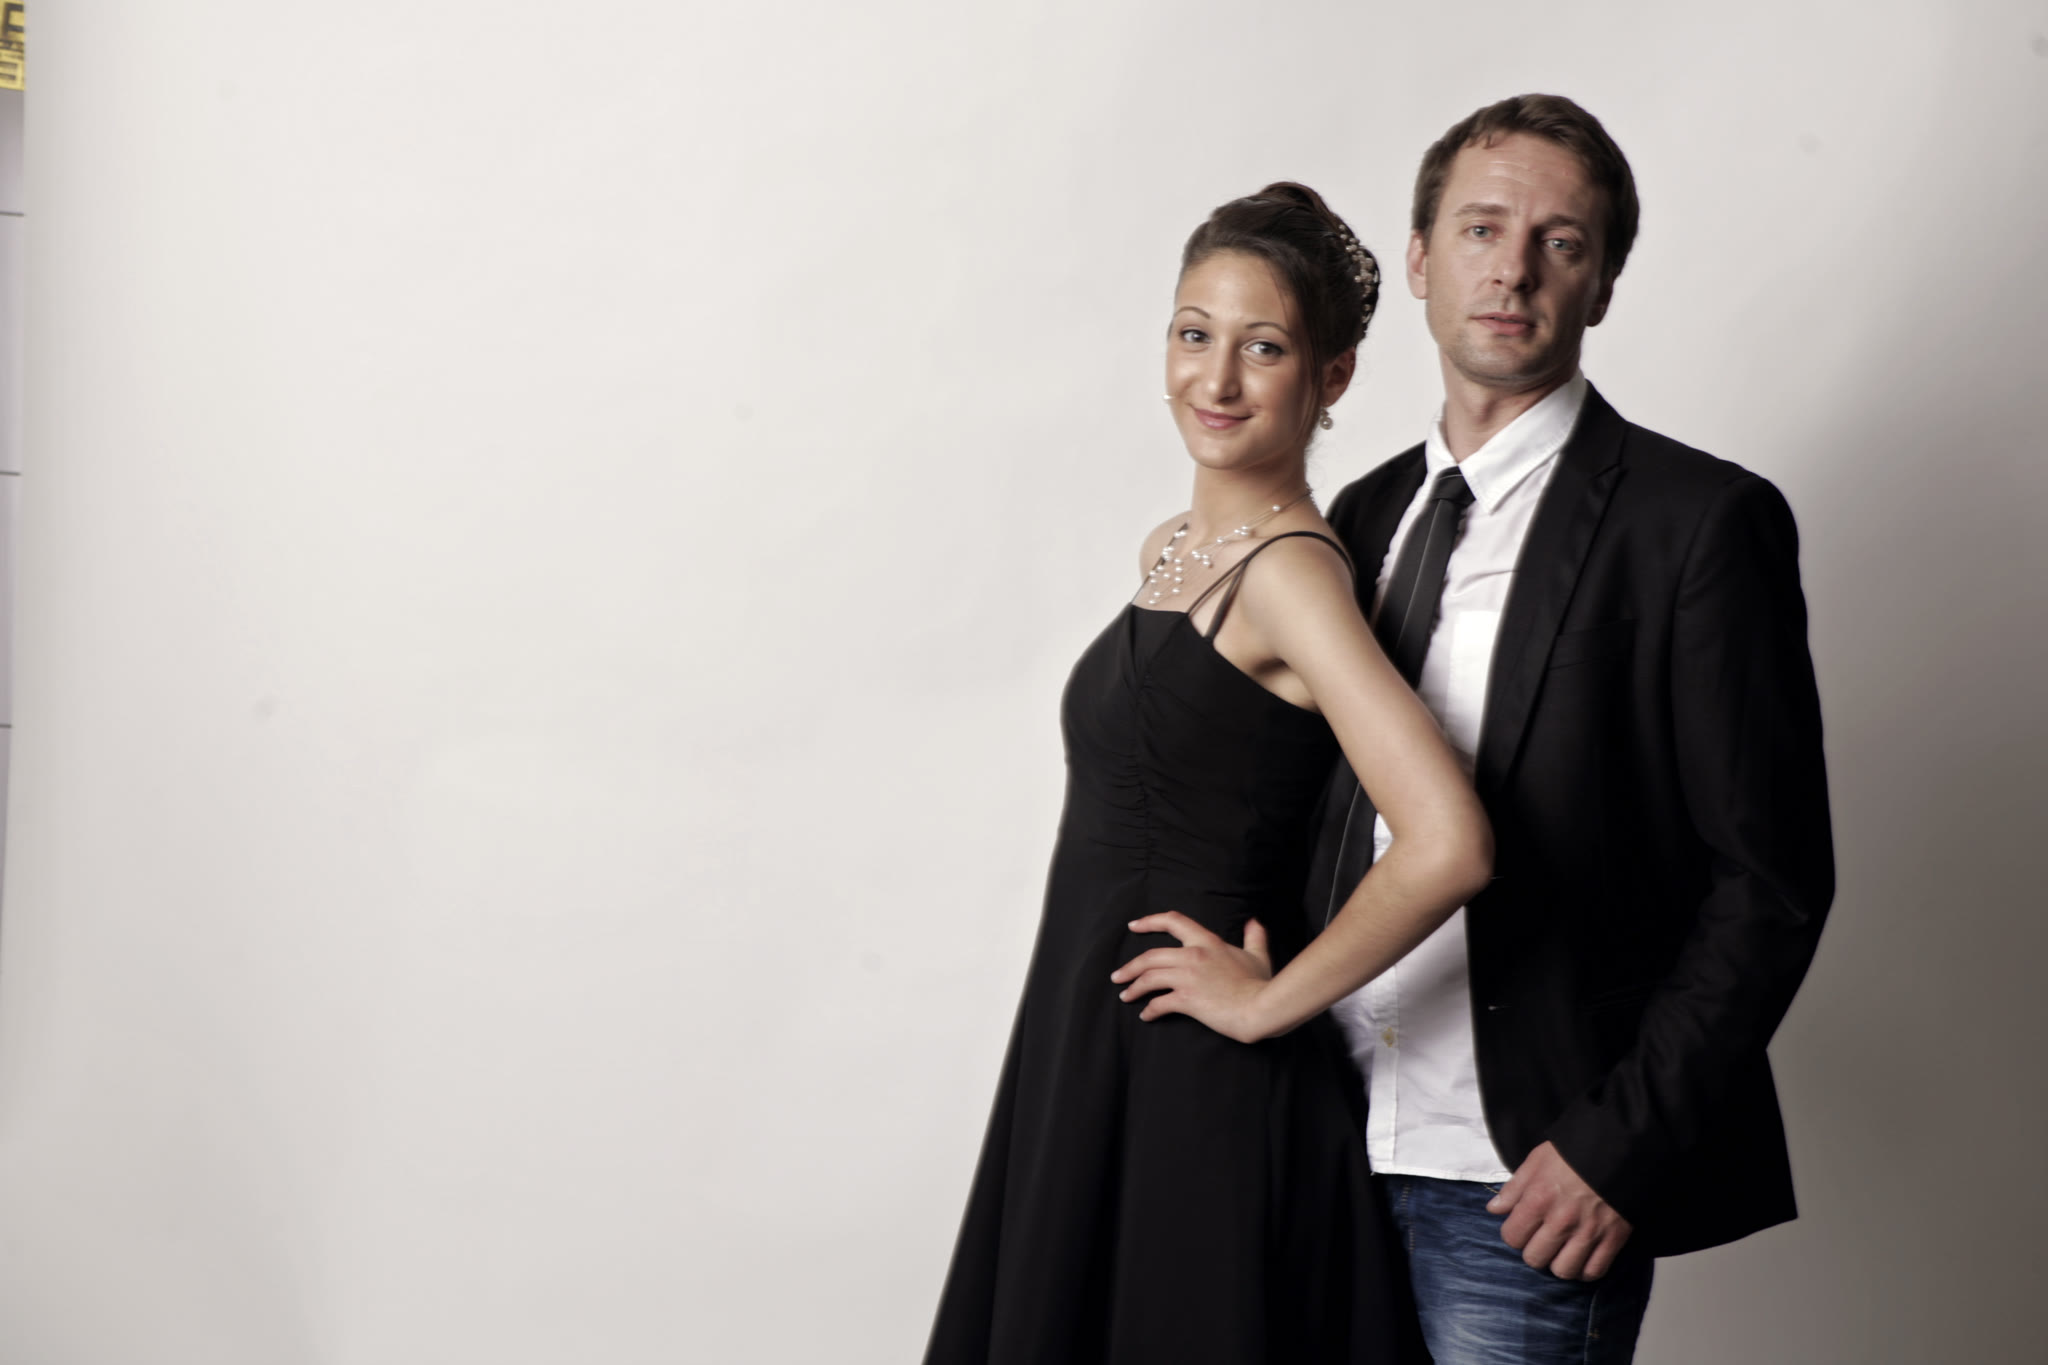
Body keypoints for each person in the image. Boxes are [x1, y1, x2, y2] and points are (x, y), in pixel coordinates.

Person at [1127, 97, 1836, 1363]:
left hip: (1516, 1185)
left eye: (1559, 242)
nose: (1511, 270)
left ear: (1601, 284)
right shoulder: (1355, 515)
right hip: (1314, 1138)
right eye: (1479, 229)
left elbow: (1767, 885)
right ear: (1417, 258)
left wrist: (1616, 1146)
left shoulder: (1694, 525)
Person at [924, 184, 1493, 1364]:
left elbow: (1447, 840)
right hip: (1093, 1052)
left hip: (1195, 1078)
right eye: (1194, 334)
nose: (1216, 379)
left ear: (1330, 378)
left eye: (1263, 347)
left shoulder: (1288, 576)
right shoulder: (1174, 550)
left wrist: (1268, 1002)